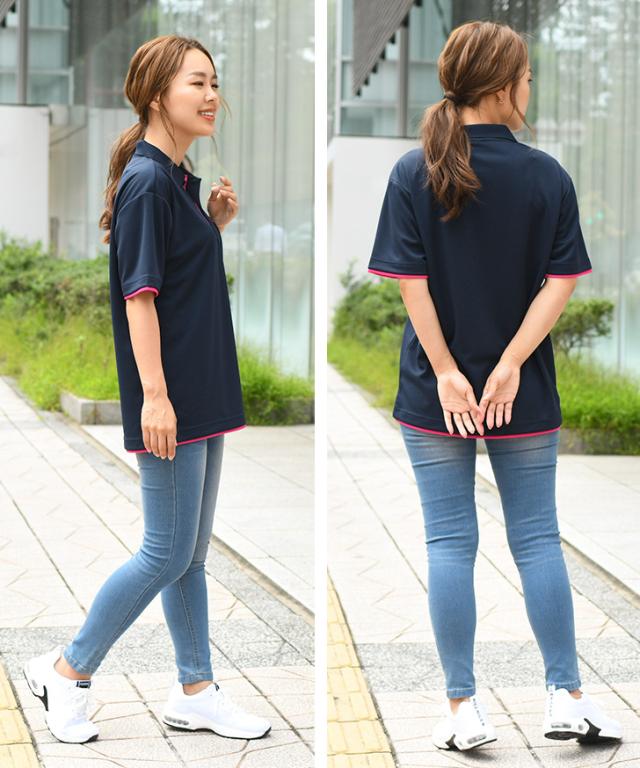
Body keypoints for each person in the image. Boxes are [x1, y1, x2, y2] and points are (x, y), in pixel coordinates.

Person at [367, 20, 622, 752]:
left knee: (449, 543)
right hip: (525, 390)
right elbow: (561, 282)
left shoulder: (413, 171)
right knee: (537, 540)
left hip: (434, 390)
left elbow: (410, 283)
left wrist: (449, 372)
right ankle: (566, 697)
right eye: (527, 77)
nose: (530, 88)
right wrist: (509, 364)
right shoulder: (546, 175)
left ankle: (462, 710)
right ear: (505, 85)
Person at [23, 34, 270, 744]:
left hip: (201, 392)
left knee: (190, 555)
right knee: (164, 551)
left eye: (215, 82)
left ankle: (196, 690)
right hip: (174, 398)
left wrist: (213, 226)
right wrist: (155, 397)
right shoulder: (147, 182)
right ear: (158, 94)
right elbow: (140, 299)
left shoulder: (179, 182)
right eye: (197, 82)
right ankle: (68, 670)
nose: (212, 95)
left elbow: (179, 280)